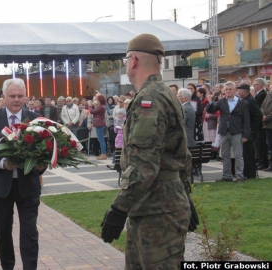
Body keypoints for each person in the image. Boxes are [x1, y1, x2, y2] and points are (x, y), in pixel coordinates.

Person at [101, 34, 197, 269]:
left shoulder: (150, 98)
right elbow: (182, 154)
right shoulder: (166, 93)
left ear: (133, 60)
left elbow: (145, 164)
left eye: (126, 60)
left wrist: (118, 209)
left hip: (157, 210)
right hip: (155, 206)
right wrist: (186, 195)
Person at [0, 78, 45, 270]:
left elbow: (45, 152)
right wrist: (2, 163)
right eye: (12, 96)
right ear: (4, 97)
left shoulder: (36, 119)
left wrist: (40, 166)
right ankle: (8, 267)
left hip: (28, 185)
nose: (16, 99)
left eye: (20, 96)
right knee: (3, 231)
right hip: (1, 186)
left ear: (25, 97)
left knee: (30, 232)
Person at [207, 81, 250, 183]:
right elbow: (211, 110)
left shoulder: (243, 103)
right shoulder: (221, 102)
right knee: (225, 155)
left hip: (237, 132)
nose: (228, 91)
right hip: (224, 131)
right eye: (226, 89)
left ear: (235, 90)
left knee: (238, 155)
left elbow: (246, 120)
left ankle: (239, 176)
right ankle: (227, 175)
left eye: (230, 89)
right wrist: (210, 101)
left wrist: (246, 135)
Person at [236, 84, 262, 179]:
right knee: (245, 154)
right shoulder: (244, 100)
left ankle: (251, 174)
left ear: (244, 91)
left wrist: (252, 129)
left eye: (239, 91)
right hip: (245, 130)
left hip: (250, 132)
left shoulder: (250, 100)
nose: (238, 93)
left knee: (249, 154)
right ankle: (246, 172)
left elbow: (258, 115)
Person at [253, 78, 268, 170]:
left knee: (261, 143)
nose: (254, 86)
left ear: (260, 85)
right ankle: (260, 161)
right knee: (258, 143)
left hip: (260, 123)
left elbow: (259, 107)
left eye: (255, 84)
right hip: (258, 122)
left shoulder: (262, 94)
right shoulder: (258, 94)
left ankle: (263, 162)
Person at [90, 94, 108, 160]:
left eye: (97, 99)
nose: (96, 101)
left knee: (101, 140)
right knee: (100, 139)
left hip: (99, 124)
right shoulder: (102, 106)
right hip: (100, 124)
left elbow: (92, 111)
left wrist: (90, 106)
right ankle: (103, 153)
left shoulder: (101, 107)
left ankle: (103, 154)